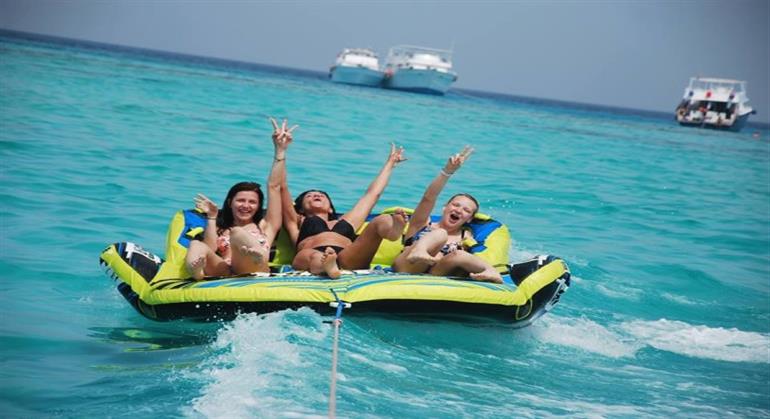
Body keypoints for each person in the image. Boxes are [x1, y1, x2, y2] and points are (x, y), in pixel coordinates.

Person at [184, 118, 294, 280]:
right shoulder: (221, 227)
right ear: (230, 202)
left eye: (252, 202)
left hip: (254, 267)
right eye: (241, 200)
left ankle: (256, 257)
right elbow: (210, 249)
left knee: (237, 233)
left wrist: (280, 151)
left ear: (259, 206)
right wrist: (212, 217)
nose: (246, 205)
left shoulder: (266, 226)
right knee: (196, 244)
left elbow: (274, 186)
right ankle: (196, 272)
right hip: (225, 270)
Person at [281, 142, 408, 279]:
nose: (316, 195)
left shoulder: (347, 220)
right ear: (300, 208)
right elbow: (281, 188)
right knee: (314, 255)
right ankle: (327, 267)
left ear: (330, 208)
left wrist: (390, 163)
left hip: (349, 258)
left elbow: (371, 195)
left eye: (321, 195)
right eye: (309, 196)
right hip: (312, 255)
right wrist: (280, 152)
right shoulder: (297, 221)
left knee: (381, 220)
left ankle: (394, 231)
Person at [392, 146, 503, 283]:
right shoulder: (422, 223)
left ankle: (491, 271)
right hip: (407, 266)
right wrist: (447, 172)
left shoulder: (466, 236)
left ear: (469, 219)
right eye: (456, 205)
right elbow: (428, 198)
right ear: (445, 207)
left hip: (435, 274)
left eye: (466, 210)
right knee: (441, 234)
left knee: (459, 255)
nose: (459, 210)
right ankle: (419, 251)